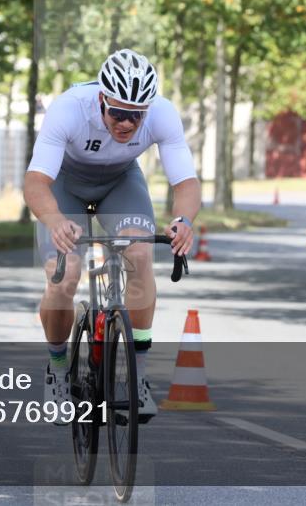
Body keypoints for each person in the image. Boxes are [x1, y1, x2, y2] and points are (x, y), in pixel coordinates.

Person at [23, 48, 201, 423]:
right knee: (66, 274)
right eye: (118, 113)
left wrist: (183, 220)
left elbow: (185, 181)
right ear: (101, 99)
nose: (126, 124)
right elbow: (37, 181)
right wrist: (55, 220)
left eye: (136, 116)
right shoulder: (70, 108)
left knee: (139, 255)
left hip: (120, 183)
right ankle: (57, 371)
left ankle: (137, 375)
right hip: (65, 186)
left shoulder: (163, 114)